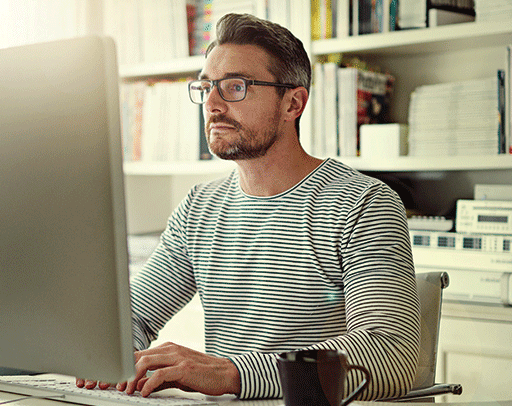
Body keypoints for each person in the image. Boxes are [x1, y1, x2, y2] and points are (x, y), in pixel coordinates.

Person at [79, 13, 420, 400]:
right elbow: (133, 316)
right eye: (206, 87)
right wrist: (114, 356)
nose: (212, 104)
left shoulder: (363, 204)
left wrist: (233, 373)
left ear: (293, 103)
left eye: (234, 87)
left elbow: (392, 354)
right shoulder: (199, 207)